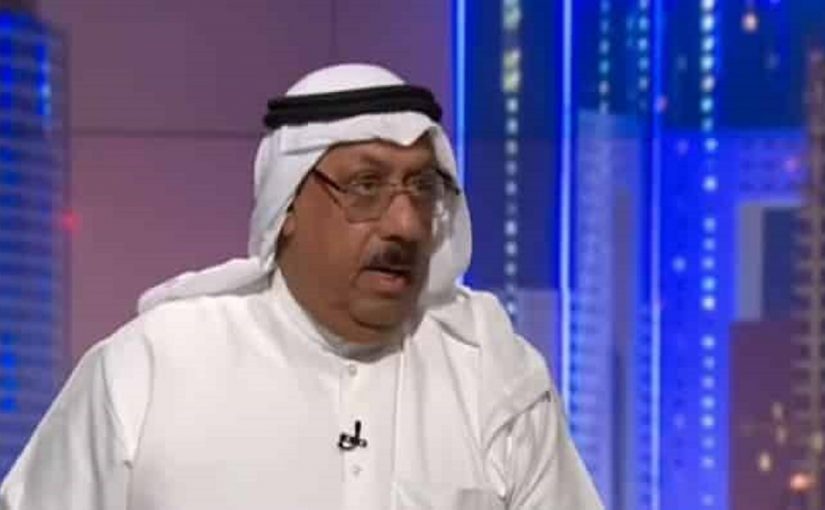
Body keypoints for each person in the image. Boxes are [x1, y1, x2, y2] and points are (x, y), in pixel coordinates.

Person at [0, 64, 602, 510]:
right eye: (366, 186)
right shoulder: (151, 367)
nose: (406, 224)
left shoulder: (495, 381)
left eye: (423, 189)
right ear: (286, 205)